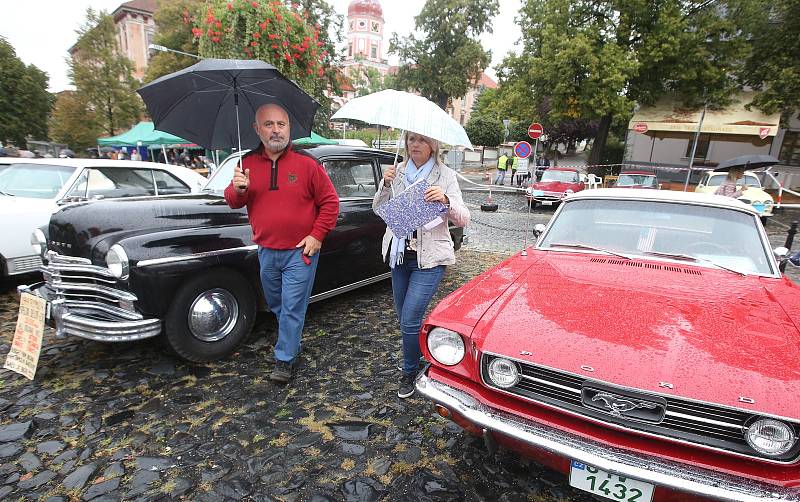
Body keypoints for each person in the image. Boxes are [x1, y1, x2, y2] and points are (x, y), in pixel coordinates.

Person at [224, 103, 339, 384]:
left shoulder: (307, 164)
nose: (276, 130)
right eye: (268, 124)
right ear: (257, 129)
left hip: (300, 252)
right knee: (277, 304)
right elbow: (233, 200)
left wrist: (317, 235)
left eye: (281, 124)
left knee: (291, 307)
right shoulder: (246, 164)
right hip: (267, 251)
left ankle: (285, 359)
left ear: (289, 128)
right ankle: (292, 339)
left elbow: (330, 203)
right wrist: (238, 189)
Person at [373, 132, 470, 398]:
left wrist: (446, 201)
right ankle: (419, 357)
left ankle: (410, 372)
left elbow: (463, 218)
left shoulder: (445, 176)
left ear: (433, 145)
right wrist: (384, 184)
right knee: (404, 318)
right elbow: (379, 209)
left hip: (429, 259)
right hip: (399, 254)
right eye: (412, 140)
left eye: (422, 140)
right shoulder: (398, 171)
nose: (415, 145)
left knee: (410, 318)